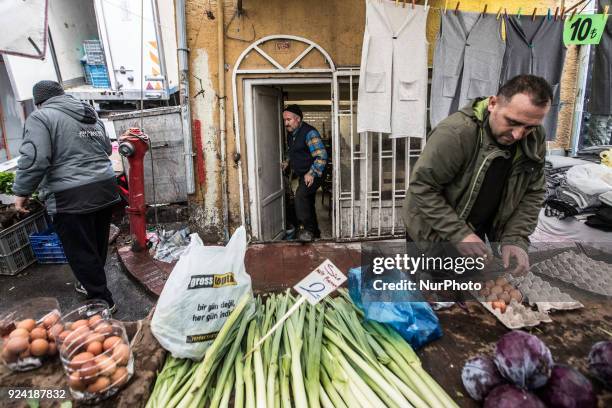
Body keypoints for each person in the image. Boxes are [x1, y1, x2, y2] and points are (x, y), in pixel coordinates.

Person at [404, 75, 552, 275]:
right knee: (428, 293)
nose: (518, 134)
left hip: (477, 232)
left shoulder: (534, 138)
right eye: (512, 121)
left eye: (529, 126)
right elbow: (422, 187)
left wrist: (515, 239)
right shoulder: (456, 134)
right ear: (493, 103)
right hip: (432, 232)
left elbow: (533, 191)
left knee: (470, 294)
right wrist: (459, 234)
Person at [12, 80, 120, 312]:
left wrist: (21, 191)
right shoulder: (88, 112)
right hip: (105, 187)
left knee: (80, 250)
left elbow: (35, 159)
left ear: (38, 102)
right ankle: (90, 283)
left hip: (71, 195)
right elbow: (105, 147)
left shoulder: (41, 117)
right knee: (96, 244)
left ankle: (103, 301)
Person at [282, 105, 328, 241]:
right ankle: (316, 232)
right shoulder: (292, 134)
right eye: (285, 120)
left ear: (298, 119)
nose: (286, 123)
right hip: (304, 174)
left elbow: (322, 155)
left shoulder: (309, 133)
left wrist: (311, 173)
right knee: (308, 202)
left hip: (315, 172)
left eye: (288, 120)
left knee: (300, 197)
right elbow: (294, 151)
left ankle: (306, 231)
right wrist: (288, 162)